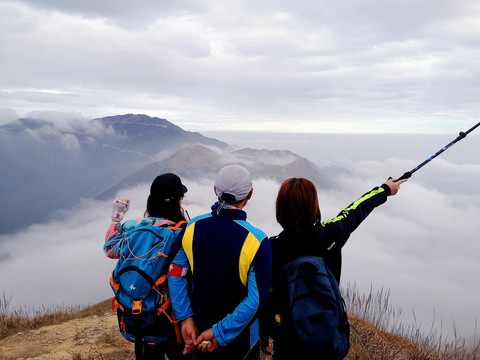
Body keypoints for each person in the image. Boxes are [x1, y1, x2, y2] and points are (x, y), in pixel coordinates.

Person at [261, 177, 407, 359]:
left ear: (280, 208)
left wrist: (263, 331)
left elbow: (267, 296)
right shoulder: (331, 235)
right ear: (314, 206)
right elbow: (357, 209)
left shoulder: (271, 248)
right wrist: (385, 189)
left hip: (289, 344)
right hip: (328, 337)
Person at [167, 164, 272, 360]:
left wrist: (185, 319)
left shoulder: (192, 227)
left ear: (215, 190)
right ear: (250, 194)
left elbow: (175, 274)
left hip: (197, 332)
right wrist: (219, 332)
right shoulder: (258, 241)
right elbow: (256, 301)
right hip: (241, 343)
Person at [104, 173, 190, 360]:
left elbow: (110, 249)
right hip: (171, 320)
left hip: (140, 319)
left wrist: (116, 217)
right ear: (179, 202)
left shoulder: (134, 228)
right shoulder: (183, 232)